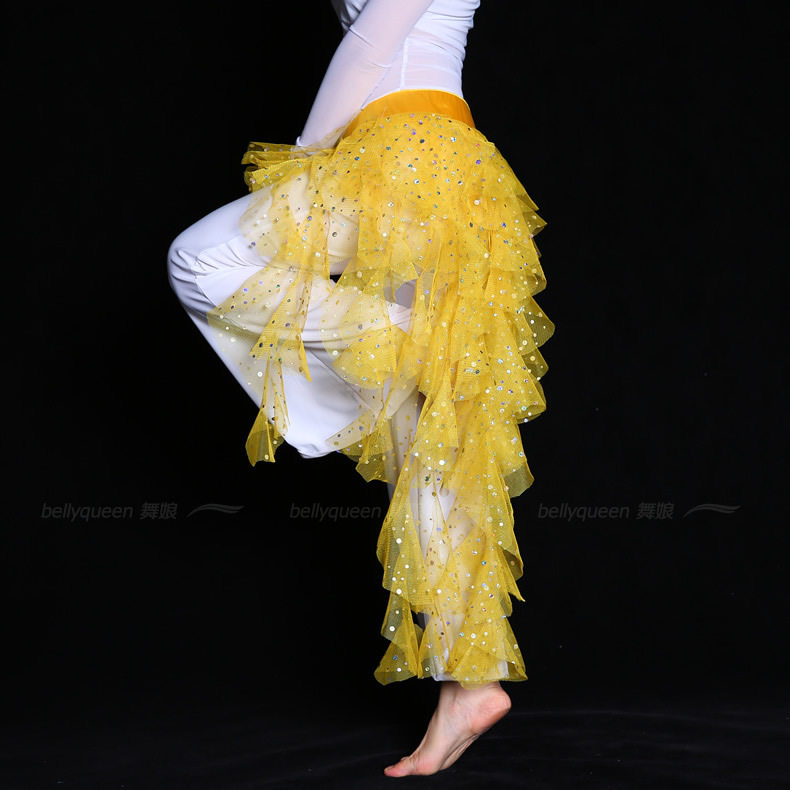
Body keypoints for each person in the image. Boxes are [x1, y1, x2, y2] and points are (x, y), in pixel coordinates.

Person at [167, 0, 554, 776]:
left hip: (408, 156)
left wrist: (306, 157)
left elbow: (376, 37)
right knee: (425, 436)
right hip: (448, 169)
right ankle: (470, 681)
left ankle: (408, 346)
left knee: (201, 259)